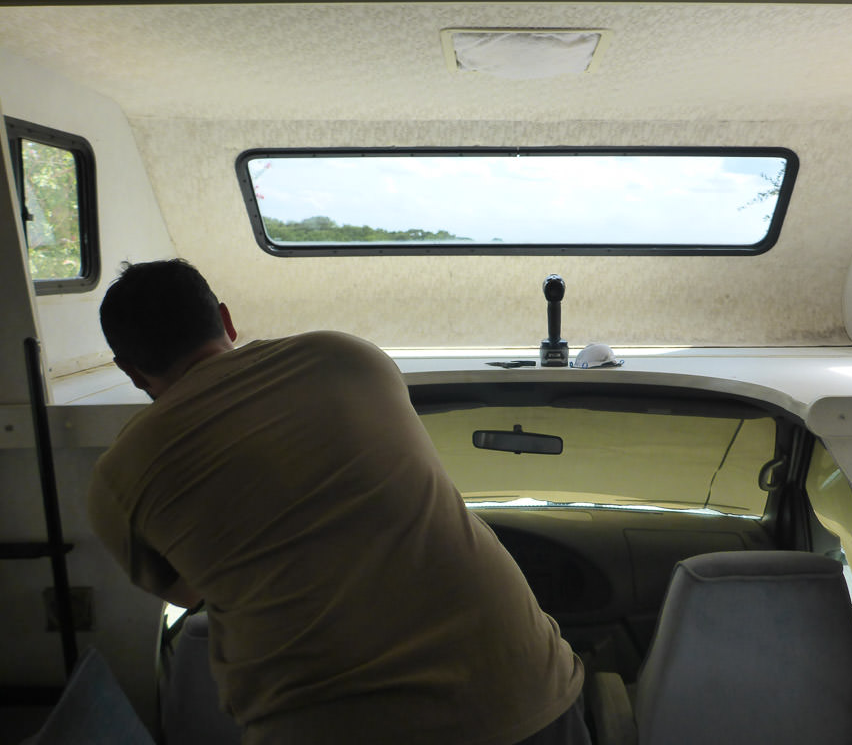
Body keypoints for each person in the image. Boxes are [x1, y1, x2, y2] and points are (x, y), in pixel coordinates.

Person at [87, 259, 589, 745]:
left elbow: (188, 593)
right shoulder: (347, 356)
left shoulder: (118, 481)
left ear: (129, 369)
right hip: (520, 695)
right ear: (225, 319)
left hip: (328, 726)